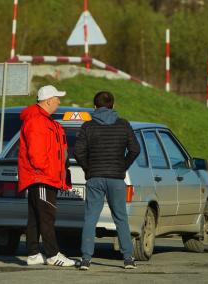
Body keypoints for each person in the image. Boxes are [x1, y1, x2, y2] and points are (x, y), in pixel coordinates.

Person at [74, 91, 140, 270]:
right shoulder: (123, 125)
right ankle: (128, 258)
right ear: (113, 105)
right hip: (116, 178)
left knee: (90, 218)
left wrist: (88, 169)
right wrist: (122, 167)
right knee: (120, 218)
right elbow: (135, 149)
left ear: (94, 107)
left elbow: (77, 151)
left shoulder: (88, 126)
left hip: (95, 177)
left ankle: (86, 259)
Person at [18, 85, 76, 267]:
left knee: (36, 216)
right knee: (46, 215)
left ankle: (34, 253)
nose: (59, 101)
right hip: (42, 176)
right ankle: (53, 254)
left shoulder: (42, 119)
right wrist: (46, 170)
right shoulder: (37, 120)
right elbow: (37, 153)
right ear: (48, 100)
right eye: (57, 98)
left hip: (43, 176)